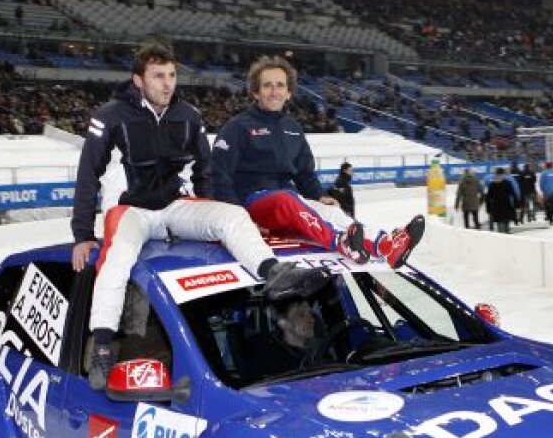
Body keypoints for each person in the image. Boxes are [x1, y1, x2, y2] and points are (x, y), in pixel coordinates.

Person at [70, 44, 328, 389]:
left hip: (175, 206)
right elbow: (88, 174)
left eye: (172, 75)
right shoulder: (110, 115)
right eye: (158, 76)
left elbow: (205, 172)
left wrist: (209, 217)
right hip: (132, 210)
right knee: (116, 258)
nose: (167, 84)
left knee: (233, 215)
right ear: (138, 80)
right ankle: (102, 345)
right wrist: (83, 234)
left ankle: (273, 271)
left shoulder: (188, 115)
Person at [212, 56, 423, 268]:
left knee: (330, 210)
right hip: (253, 205)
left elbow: (305, 173)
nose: (274, 91)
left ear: (289, 93)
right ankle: (340, 242)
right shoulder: (237, 127)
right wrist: (240, 220)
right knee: (286, 199)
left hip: (289, 201)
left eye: (280, 85)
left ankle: (384, 246)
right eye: (267, 85)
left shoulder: (293, 128)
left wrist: (320, 196)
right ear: (255, 92)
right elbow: (219, 176)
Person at [483, 167, 518, 233]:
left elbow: (488, 197)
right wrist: (516, 204)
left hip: (496, 207)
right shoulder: (507, 183)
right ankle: (506, 234)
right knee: (506, 222)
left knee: (499, 223)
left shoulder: (492, 185)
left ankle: (501, 235)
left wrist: (488, 208)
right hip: (506, 206)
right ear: (503, 174)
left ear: (495, 174)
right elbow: (513, 194)